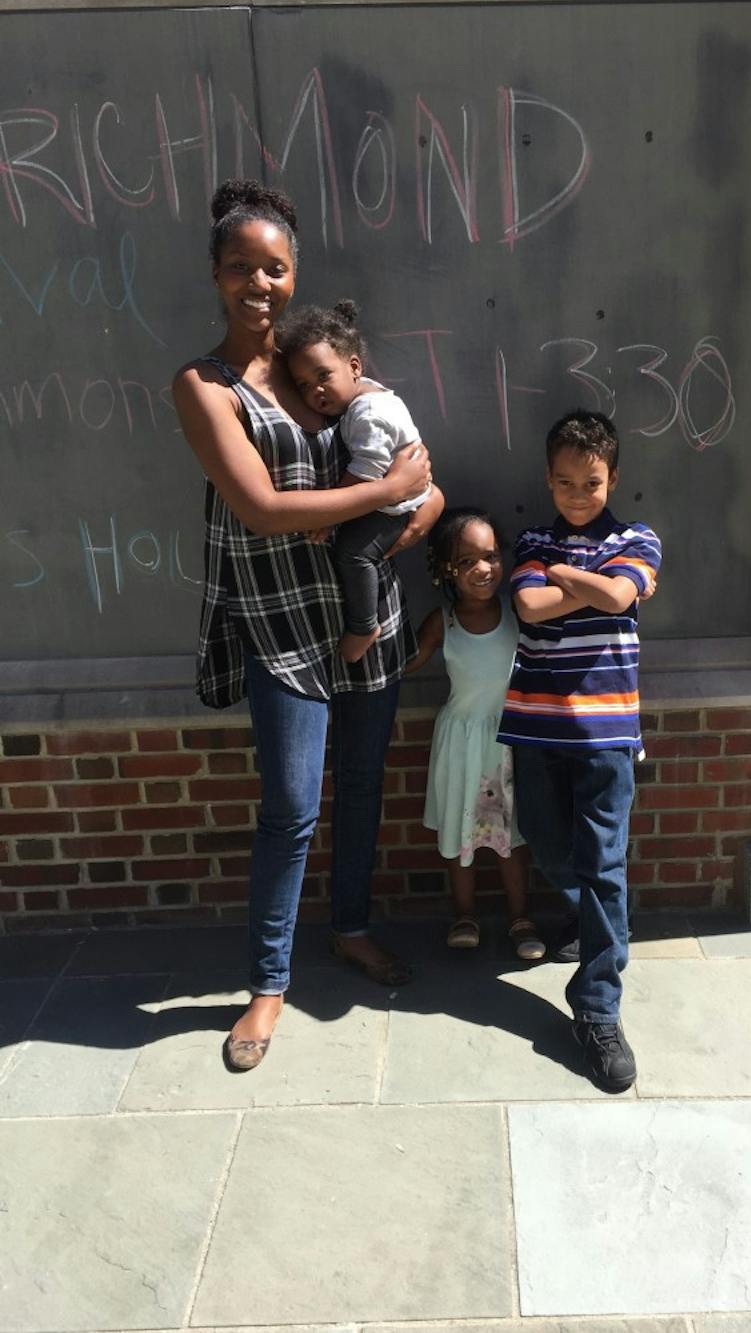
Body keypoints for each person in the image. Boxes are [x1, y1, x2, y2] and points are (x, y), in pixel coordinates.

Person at [173, 178, 442, 1072]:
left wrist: (418, 507)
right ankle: (268, 983)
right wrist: (387, 494)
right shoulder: (203, 385)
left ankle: (354, 928)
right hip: (279, 623)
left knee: (361, 784)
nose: (260, 282)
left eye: (275, 267)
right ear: (216, 274)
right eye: (242, 266)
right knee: (291, 810)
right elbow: (257, 508)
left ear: (295, 276)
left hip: (365, 617)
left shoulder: (315, 367)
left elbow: (419, 477)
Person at [497, 410, 661, 1092]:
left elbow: (624, 592)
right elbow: (529, 609)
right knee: (543, 834)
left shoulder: (638, 537)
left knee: (602, 862)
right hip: (537, 725)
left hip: (607, 732)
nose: (576, 494)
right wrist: (588, 589)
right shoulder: (532, 536)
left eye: (590, 482)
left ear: (613, 476)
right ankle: (593, 917)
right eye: (563, 482)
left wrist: (571, 579)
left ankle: (596, 1007)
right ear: (547, 478)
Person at [408, 508, 545, 961]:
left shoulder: (517, 614)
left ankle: (520, 916)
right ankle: (463, 913)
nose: (483, 569)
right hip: (461, 744)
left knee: (511, 835)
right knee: (462, 830)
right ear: (446, 568)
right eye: (467, 561)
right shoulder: (441, 623)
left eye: (490, 556)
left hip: (507, 743)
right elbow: (404, 664)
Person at [278, 301, 432, 663]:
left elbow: (368, 469)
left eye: (323, 376)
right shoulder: (366, 395)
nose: (315, 390)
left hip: (395, 508)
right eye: (303, 385)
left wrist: (330, 515)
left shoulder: (368, 413)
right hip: (393, 498)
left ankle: (364, 625)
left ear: (354, 367)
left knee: (354, 552)